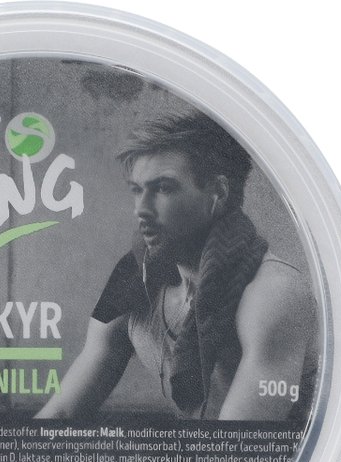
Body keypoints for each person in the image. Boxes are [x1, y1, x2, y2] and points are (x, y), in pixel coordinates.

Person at [36, 110, 315, 421]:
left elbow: (237, 447)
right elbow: (61, 412)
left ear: (218, 193)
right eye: (137, 190)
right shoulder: (134, 275)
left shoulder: (275, 294)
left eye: (164, 188)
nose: (141, 210)